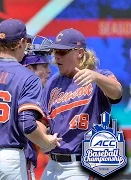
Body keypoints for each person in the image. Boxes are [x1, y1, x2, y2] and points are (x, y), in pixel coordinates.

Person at [0, 18, 62, 180]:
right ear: (20, 43)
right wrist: (46, 143)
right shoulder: (26, 77)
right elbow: (26, 123)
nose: (49, 71)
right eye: (44, 66)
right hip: (9, 157)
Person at [41, 28, 123, 180]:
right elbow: (42, 118)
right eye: (55, 52)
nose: (57, 57)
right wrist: (43, 139)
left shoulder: (100, 76)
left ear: (79, 53)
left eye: (62, 52)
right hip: (53, 164)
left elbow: (117, 92)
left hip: (81, 165)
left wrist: (96, 77)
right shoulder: (53, 82)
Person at [21, 36, 53, 180]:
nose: (49, 71)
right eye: (44, 66)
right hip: (16, 163)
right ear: (28, 68)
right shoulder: (33, 92)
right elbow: (29, 127)